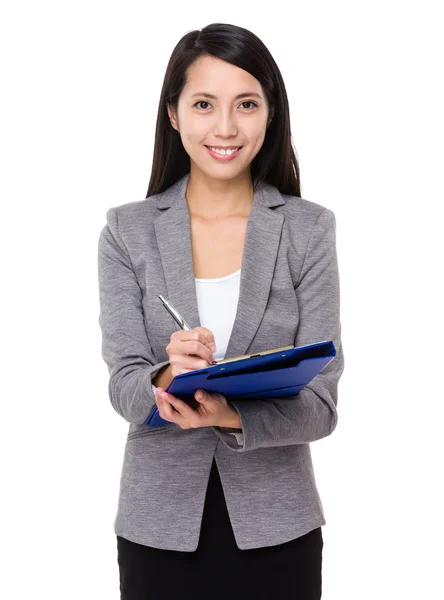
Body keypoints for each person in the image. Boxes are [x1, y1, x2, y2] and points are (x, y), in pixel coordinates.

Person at [97, 22, 344, 600]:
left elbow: (323, 407)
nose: (226, 127)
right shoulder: (126, 231)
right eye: (204, 103)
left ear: (270, 114)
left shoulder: (308, 230)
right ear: (175, 114)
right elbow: (124, 386)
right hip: (157, 526)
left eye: (247, 104)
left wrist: (228, 413)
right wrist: (165, 376)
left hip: (278, 528)